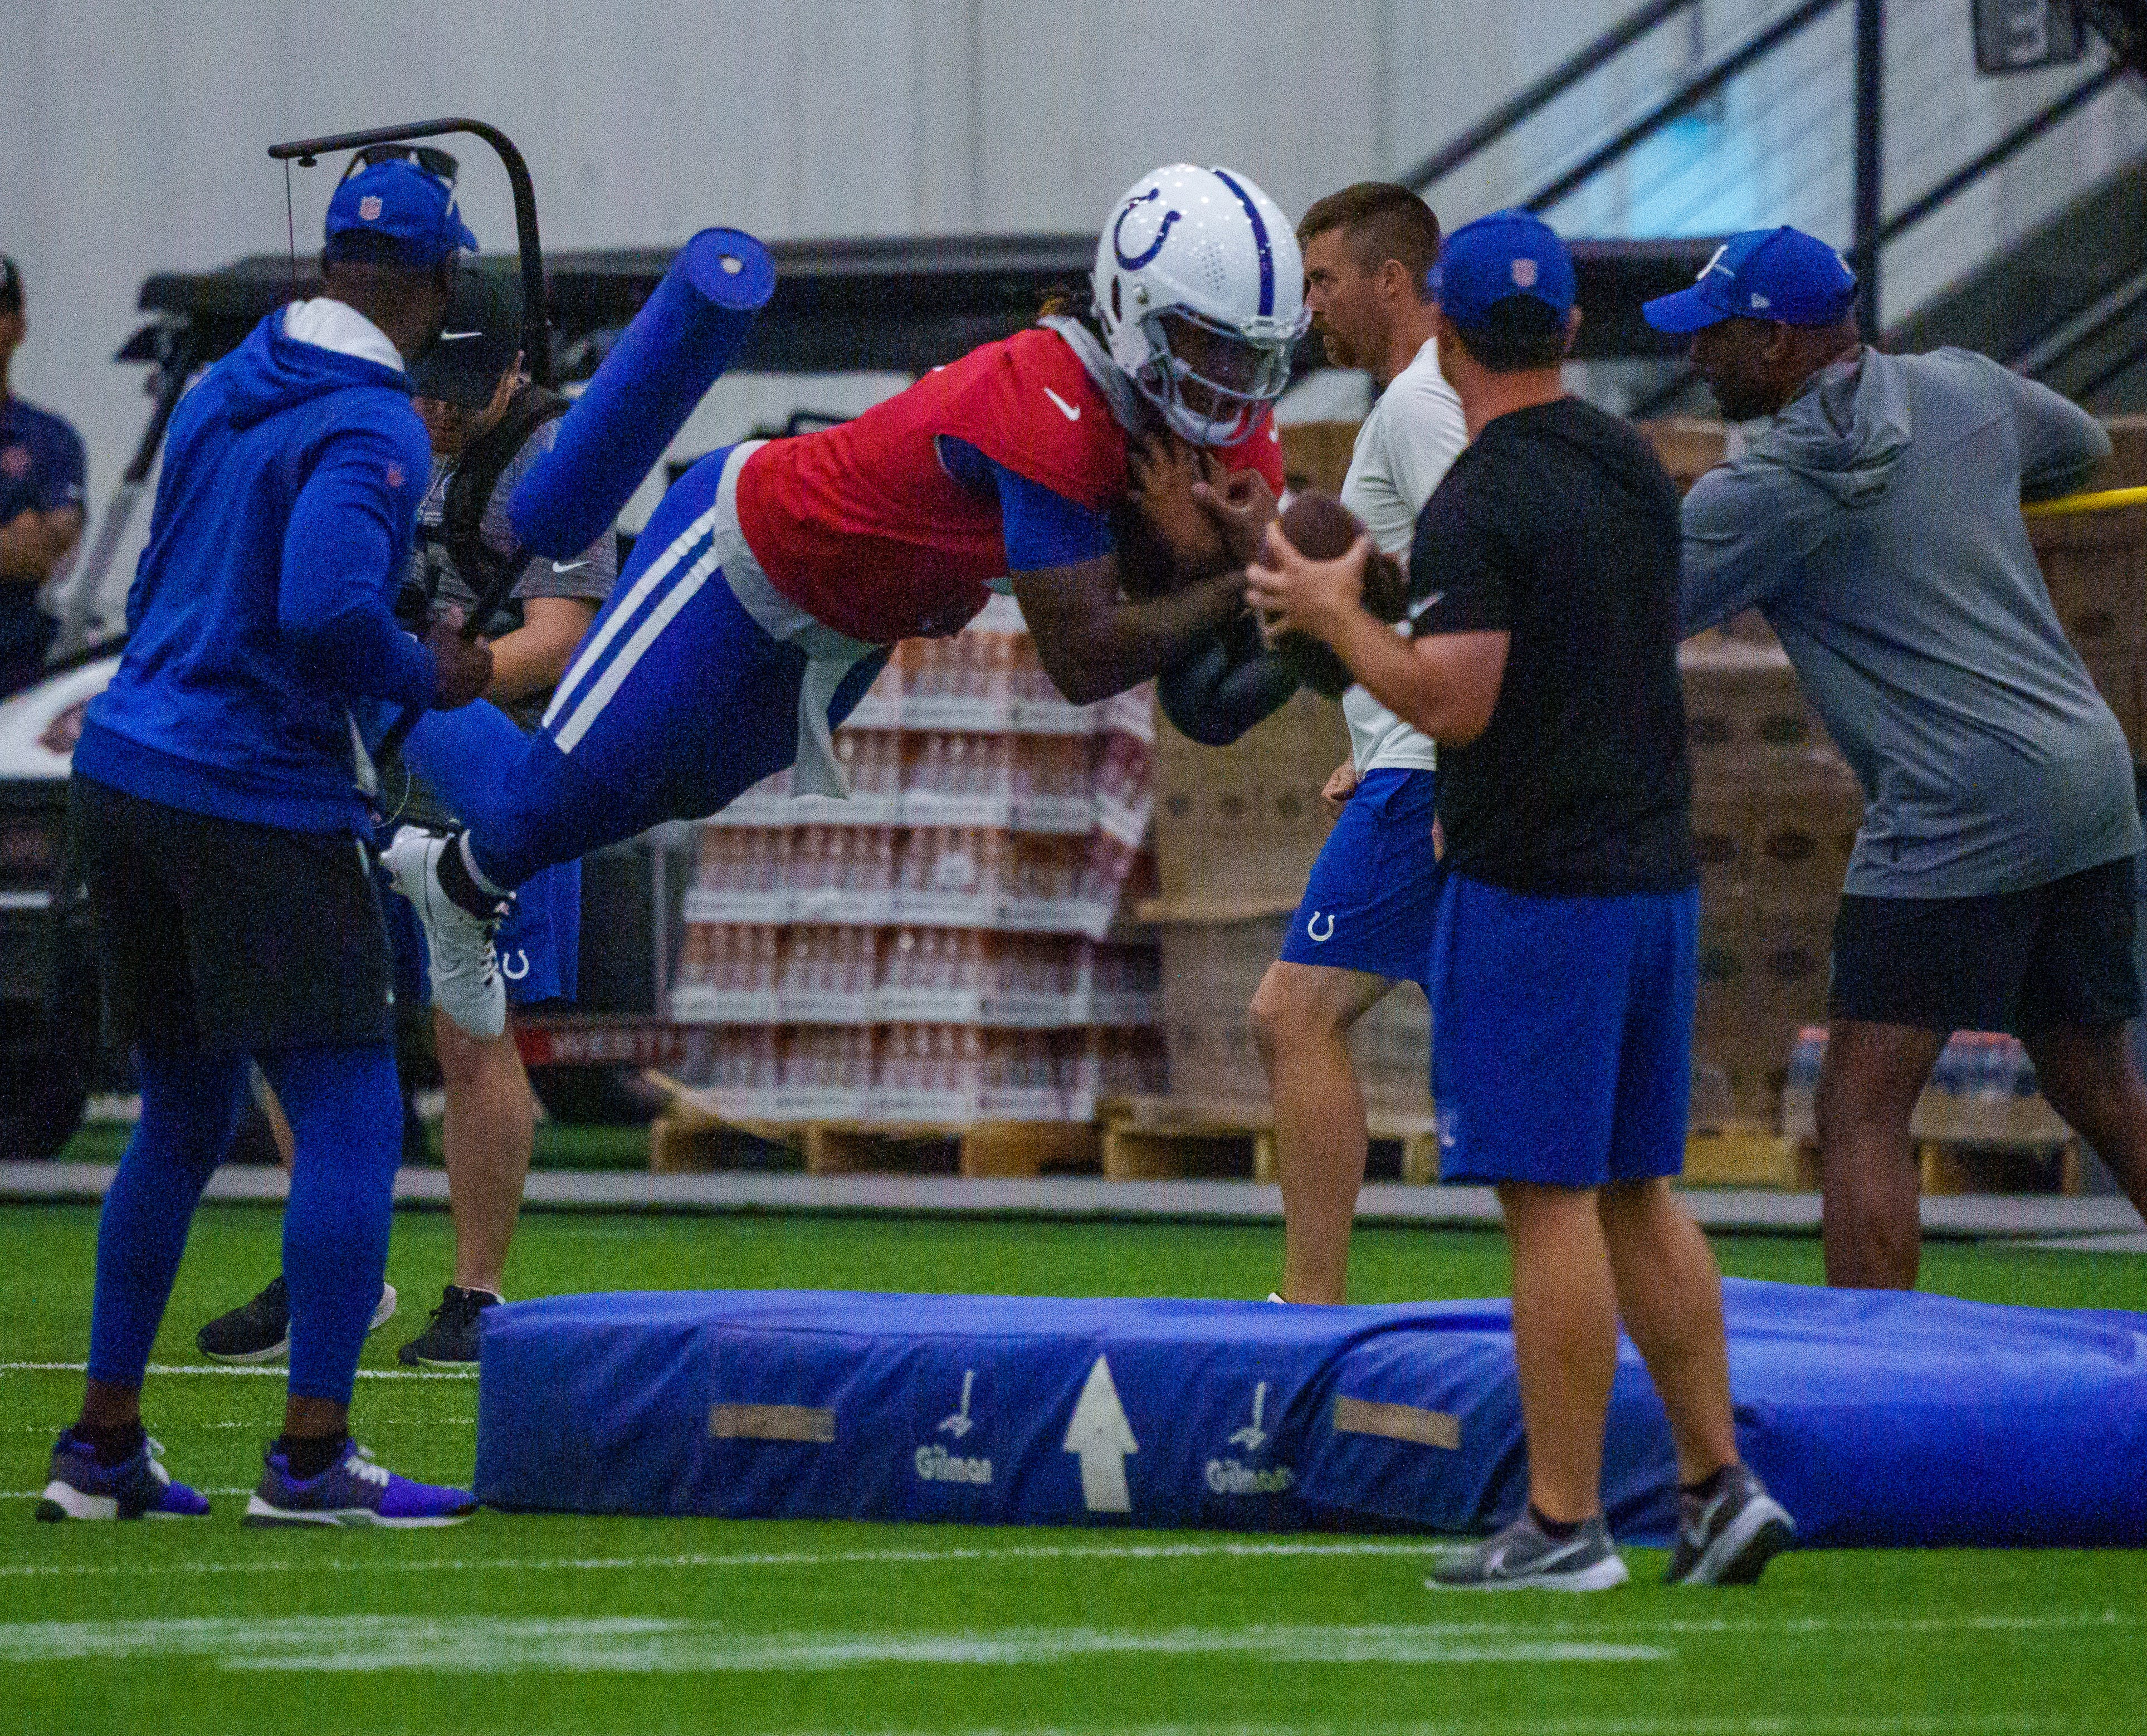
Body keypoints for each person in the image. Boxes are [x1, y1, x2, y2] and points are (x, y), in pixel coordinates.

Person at [386, 164, 1303, 1041]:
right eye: (1210, 341)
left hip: (848, 631)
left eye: (1252, 351)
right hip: (738, 551)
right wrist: (1236, 574)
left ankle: (457, 878)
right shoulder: (1049, 393)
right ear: (1137, 312)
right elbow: (1087, 657)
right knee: (560, 790)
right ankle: (438, 828)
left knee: (669, 795)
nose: (1233, 376)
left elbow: (1244, 661)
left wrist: (1275, 573)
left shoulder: (1218, 429)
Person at [1250, 209, 1793, 1590]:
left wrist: (1331, 621)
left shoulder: (1477, 497)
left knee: (1546, 1205)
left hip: (1533, 885)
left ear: (1439, 323)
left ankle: (1562, 1523)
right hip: (1650, 878)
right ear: (1562, 326)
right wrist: (1376, 602)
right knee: (1635, 1193)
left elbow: (1456, 698)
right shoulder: (1632, 469)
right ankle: (1714, 1481)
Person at [1652, 225, 2147, 1320]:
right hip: (2083, 777)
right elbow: (2080, 450)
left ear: (1781, 345)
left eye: (1715, 338)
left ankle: (1876, 1394)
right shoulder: (1965, 388)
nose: (1695, 359)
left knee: (1860, 1110)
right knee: (2101, 1088)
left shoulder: (1774, 487)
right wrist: (1971, 494)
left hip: (1957, 801)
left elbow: (1625, 614)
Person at [36, 159, 491, 1527]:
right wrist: (435, 667)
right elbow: (323, 609)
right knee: (352, 1108)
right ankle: (309, 1457)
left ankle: (102, 1447)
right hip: (255, 795)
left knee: (178, 1111)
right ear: (436, 286)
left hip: (124, 774)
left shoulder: (228, 377)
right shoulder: (374, 426)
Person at [196, 269, 619, 1370]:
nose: (435, 410)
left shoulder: (554, 459)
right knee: (303, 1013)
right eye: (426, 383)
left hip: (495, 761)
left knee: (469, 1033)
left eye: (458, 392)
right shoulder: (371, 416)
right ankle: (330, 1260)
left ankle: (476, 1290)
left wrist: (455, 674)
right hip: (363, 744)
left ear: (512, 372)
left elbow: (562, 637)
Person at [1250, 183, 1462, 1305]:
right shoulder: (1429, 401)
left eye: (1322, 280)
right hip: (1414, 758)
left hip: (1429, 778)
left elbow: (1480, 575)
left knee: (1292, 1016)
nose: (1310, 308)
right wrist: (1381, 719)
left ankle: (1307, 1305)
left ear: (1390, 281)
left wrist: (1440, 754)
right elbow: (1433, 594)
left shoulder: (1419, 408)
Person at [0, 253, 86, 695]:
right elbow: (24, 548)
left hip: (20, 669)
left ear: (18, 325)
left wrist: (32, 546)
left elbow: (46, 554)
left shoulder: (52, 439)